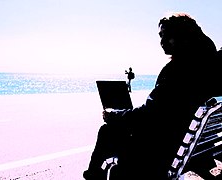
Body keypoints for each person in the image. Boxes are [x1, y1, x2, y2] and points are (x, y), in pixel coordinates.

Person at [83, 13, 221, 180]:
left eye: (166, 35)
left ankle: (92, 177)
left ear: (182, 35)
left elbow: (151, 116)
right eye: (160, 36)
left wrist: (114, 115)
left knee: (107, 131)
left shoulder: (178, 70)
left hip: (161, 152)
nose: (162, 41)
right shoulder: (207, 65)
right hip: (188, 147)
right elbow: (162, 111)